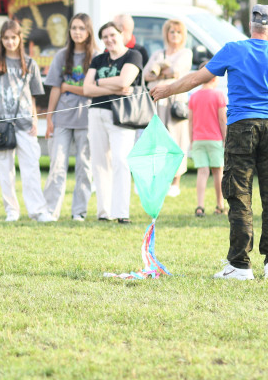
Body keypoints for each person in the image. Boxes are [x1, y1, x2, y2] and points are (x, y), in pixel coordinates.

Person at [151, 4, 268, 280]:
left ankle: (240, 266)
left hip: (241, 127)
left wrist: (167, 89)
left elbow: (199, 78)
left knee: (239, 195)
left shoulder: (233, 49)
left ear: (251, 26)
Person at [0, 20, 49, 222]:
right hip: (0, 123)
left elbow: (33, 96)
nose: (10, 42)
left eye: (13, 37)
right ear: (1, 40)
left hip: (26, 123)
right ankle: (12, 210)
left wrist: (36, 120)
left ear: (20, 38)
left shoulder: (30, 64)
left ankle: (37, 211)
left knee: (31, 169)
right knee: (5, 171)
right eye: (6, 38)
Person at [83, 21, 142, 224]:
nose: (109, 39)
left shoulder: (133, 55)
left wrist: (99, 82)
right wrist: (111, 86)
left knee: (121, 161)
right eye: (105, 37)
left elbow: (125, 82)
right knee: (100, 163)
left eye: (112, 35)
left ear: (121, 34)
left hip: (121, 116)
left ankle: (121, 212)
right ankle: (104, 211)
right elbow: (86, 89)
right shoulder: (99, 59)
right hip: (96, 113)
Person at [43, 13, 96, 221]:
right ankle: (50, 211)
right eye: (74, 28)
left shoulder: (97, 57)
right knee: (57, 166)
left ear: (89, 31)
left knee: (85, 167)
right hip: (62, 119)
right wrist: (49, 118)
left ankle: (79, 213)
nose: (77, 32)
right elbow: (56, 88)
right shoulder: (61, 56)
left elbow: (93, 90)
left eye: (82, 28)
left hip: (87, 120)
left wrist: (69, 86)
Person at [145, 19, 193, 197]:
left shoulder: (186, 52)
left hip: (175, 102)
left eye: (178, 32)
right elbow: (146, 74)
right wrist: (159, 70)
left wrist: (159, 69)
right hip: (158, 103)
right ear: (166, 33)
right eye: (172, 31)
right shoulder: (158, 52)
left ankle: (176, 182)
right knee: (158, 141)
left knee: (177, 139)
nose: (174, 35)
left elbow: (177, 71)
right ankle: (158, 180)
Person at [188, 65, 227, 217]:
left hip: (198, 139)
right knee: (218, 172)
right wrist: (225, 138)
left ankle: (200, 205)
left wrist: (191, 140)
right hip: (215, 139)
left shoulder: (194, 96)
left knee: (202, 172)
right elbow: (222, 119)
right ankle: (220, 205)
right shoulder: (219, 96)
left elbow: (190, 121)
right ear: (214, 77)